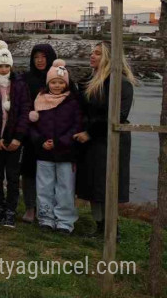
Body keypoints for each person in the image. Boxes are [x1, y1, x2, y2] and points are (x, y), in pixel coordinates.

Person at [74, 41, 137, 239]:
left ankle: (112, 230)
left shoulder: (121, 83)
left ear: (109, 58)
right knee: (93, 186)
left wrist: (90, 132)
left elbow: (117, 115)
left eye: (98, 54)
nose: (92, 56)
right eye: (92, 53)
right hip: (91, 142)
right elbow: (83, 109)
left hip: (109, 141)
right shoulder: (89, 81)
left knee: (107, 186)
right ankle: (100, 226)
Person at [27, 60, 82, 234]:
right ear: (48, 83)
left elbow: (77, 125)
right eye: (53, 82)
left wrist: (60, 141)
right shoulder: (39, 100)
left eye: (60, 82)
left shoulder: (73, 101)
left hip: (66, 151)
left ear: (66, 84)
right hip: (44, 151)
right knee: (44, 186)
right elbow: (32, 126)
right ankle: (46, 218)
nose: (57, 86)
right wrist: (40, 141)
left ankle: (65, 221)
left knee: (65, 187)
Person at [0, 40, 31, 228]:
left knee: (12, 177)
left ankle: (11, 209)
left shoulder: (19, 84)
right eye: (0, 66)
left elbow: (25, 111)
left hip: (13, 140)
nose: (3, 69)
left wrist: (18, 137)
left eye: (6, 66)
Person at [20, 44, 58, 223]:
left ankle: (48, 209)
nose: (40, 60)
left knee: (52, 172)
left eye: (43, 56)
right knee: (29, 171)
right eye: (36, 57)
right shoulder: (25, 79)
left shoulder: (59, 78)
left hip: (53, 132)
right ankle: (30, 207)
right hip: (31, 132)